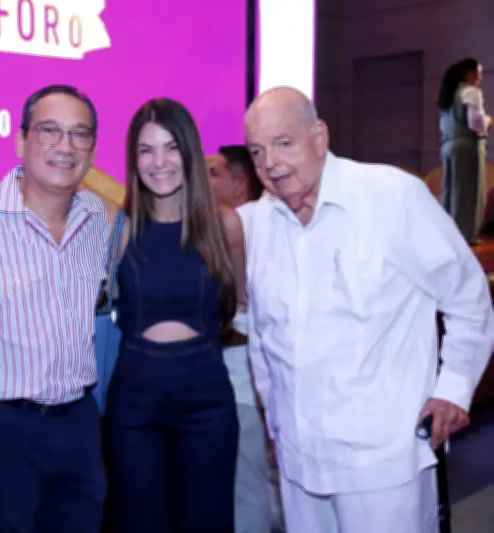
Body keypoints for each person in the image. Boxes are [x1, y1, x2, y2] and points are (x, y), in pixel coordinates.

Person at [242, 85, 494, 533]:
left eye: (284, 143)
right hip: (300, 462)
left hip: (382, 461)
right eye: (257, 151)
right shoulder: (261, 221)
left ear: (319, 137)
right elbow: (265, 338)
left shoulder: (391, 196)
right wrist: (276, 429)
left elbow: (468, 294)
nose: (270, 164)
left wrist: (454, 388)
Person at [0, 84, 110, 533]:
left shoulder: (97, 217)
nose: (65, 146)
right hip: (1, 427)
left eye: (79, 134)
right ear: (21, 140)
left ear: (91, 148)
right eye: (49, 130)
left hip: (80, 424)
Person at [104, 98, 245, 533]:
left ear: (189, 152)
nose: (159, 162)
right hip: (134, 407)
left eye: (170, 147)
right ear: (133, 159)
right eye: (146, 150)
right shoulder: (119, 227)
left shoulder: (225, 226)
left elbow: (239, 308)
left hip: (207, 404)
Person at [209, 145, 280, 533]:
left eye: (215, 173)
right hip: (234, 382)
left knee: (248, 487)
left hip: (244, 380)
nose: (205, 180)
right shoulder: (229, 225)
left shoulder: (247, 225)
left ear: (240, 185)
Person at [437, 57, 491, 245]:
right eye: (478, 73)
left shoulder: (449, 95)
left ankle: (449, 234)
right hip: (467, 146)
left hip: (448, 145)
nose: (479, 78)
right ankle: (465, 235)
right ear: (468, 73)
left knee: (450, 191)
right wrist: (489, 121)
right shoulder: (471, 92)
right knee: (469, 192)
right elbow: (475, 123)